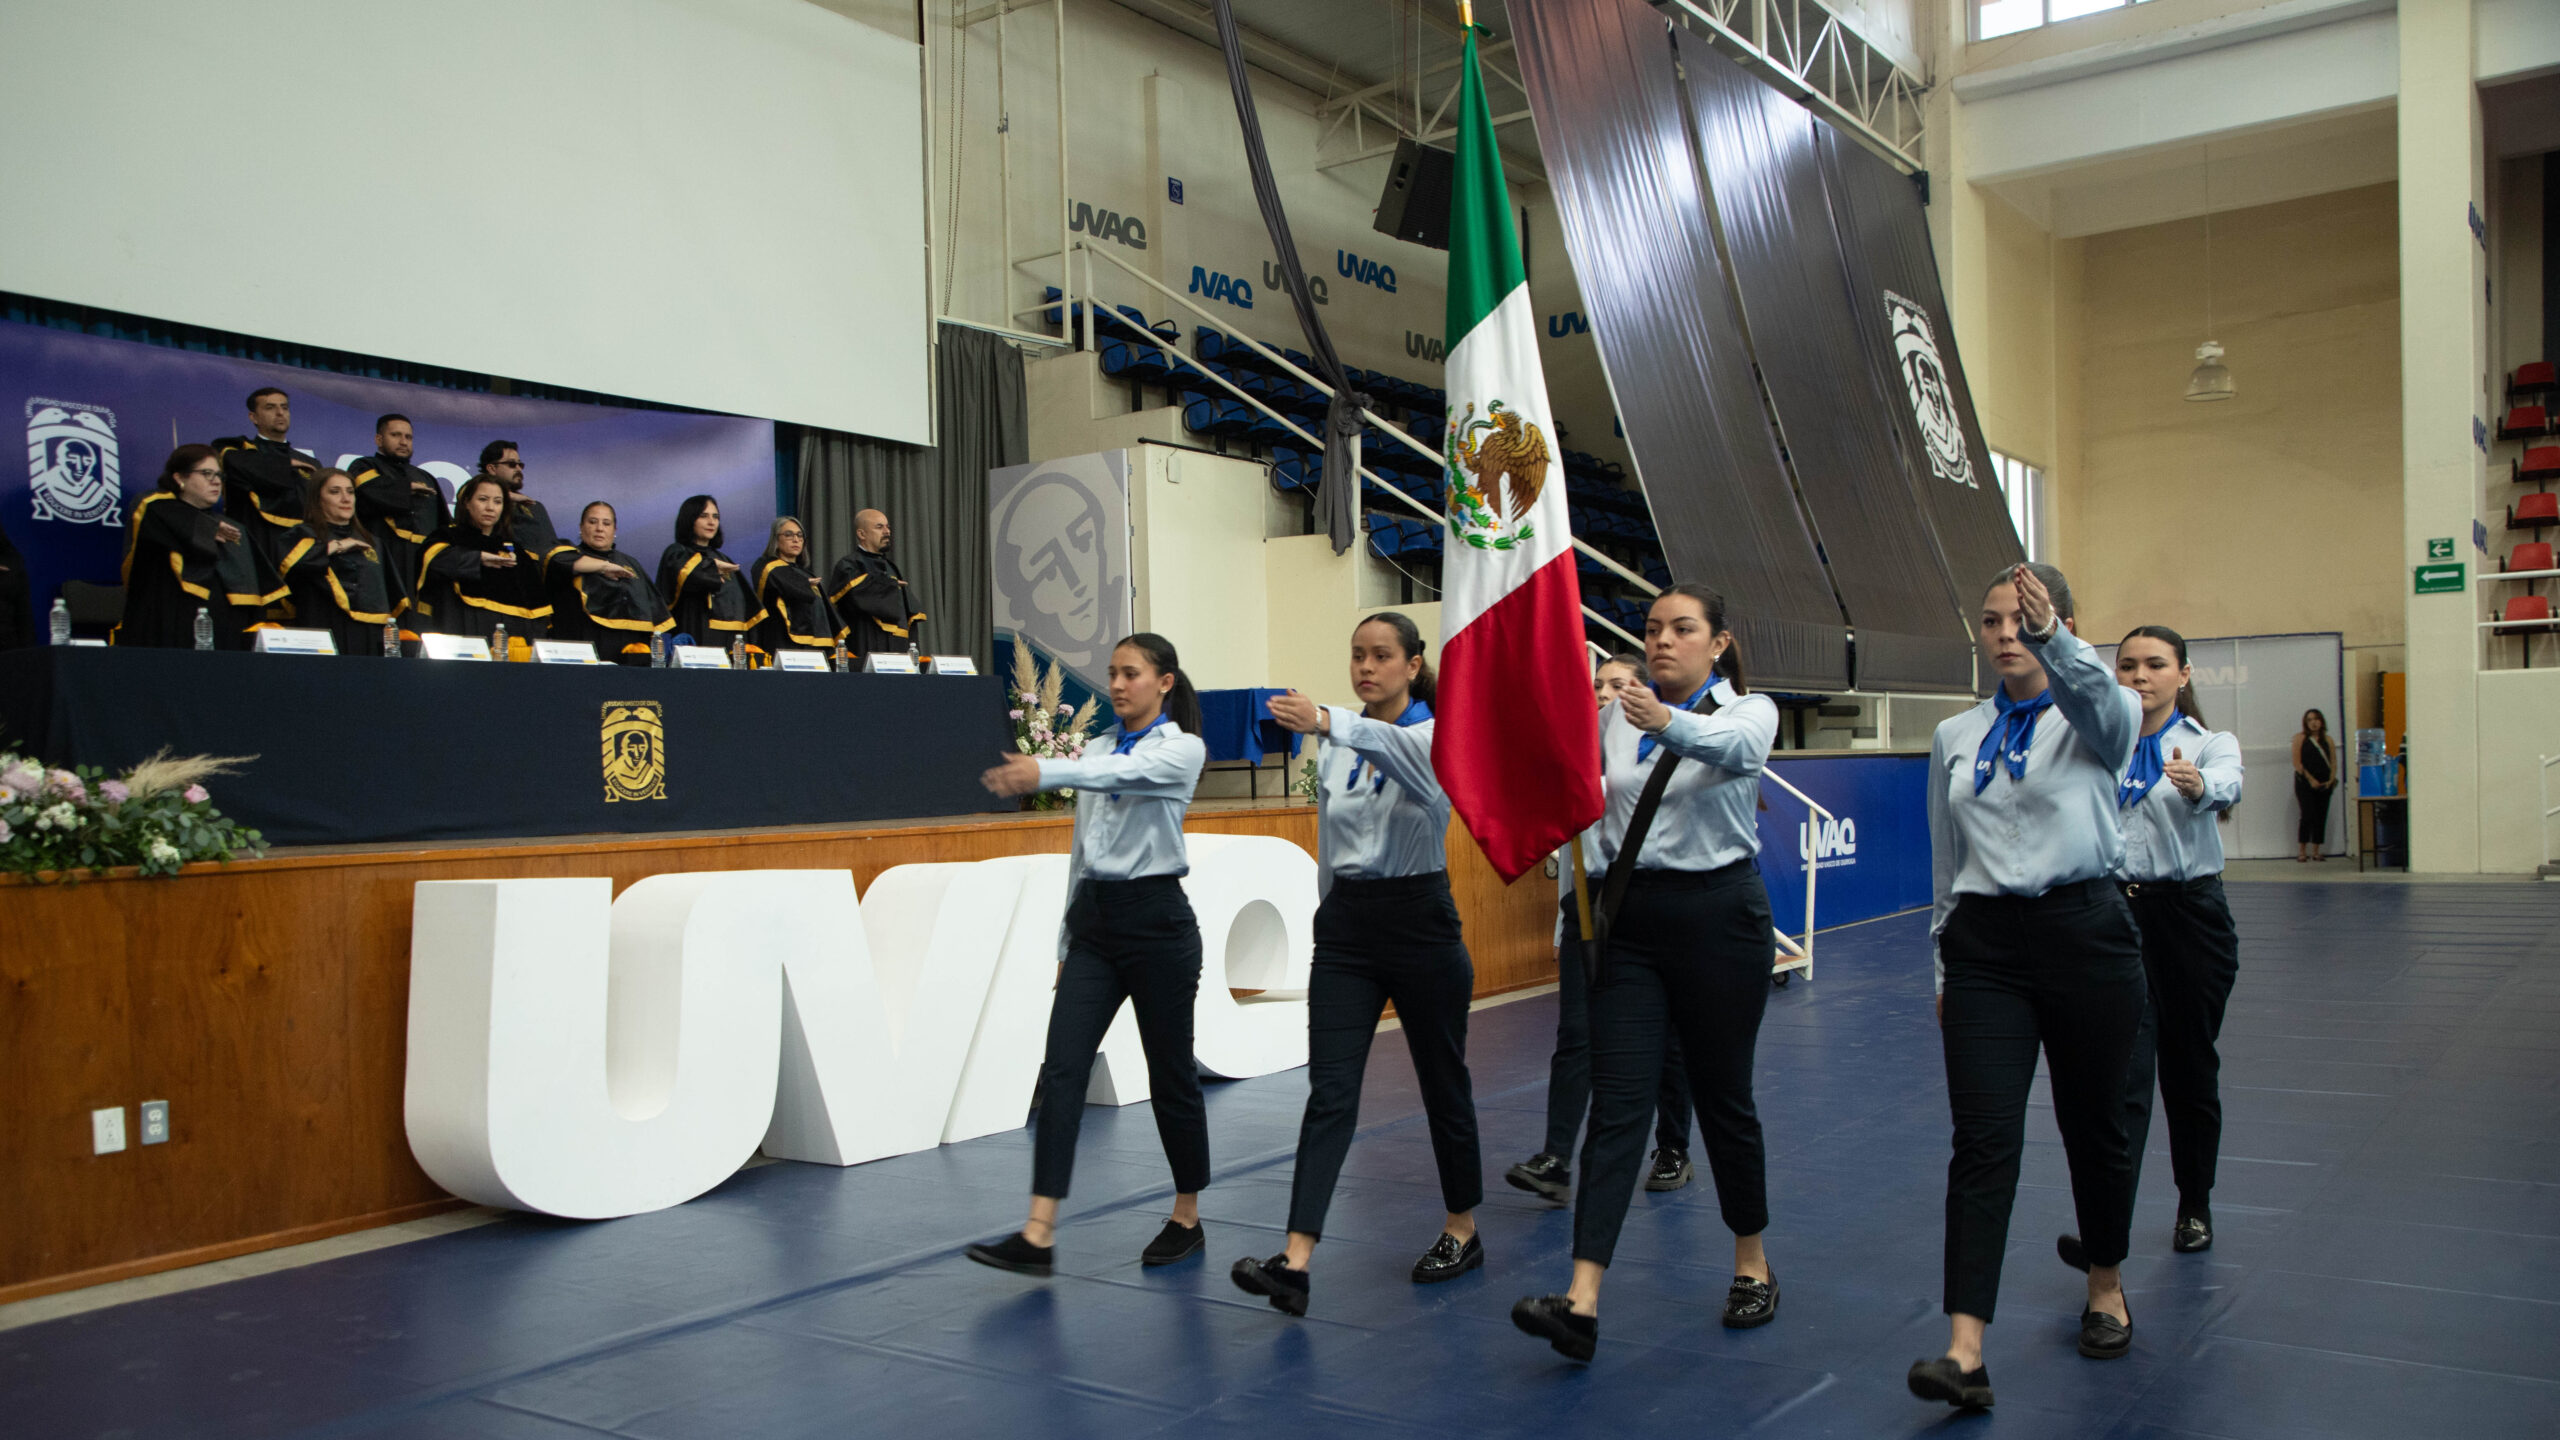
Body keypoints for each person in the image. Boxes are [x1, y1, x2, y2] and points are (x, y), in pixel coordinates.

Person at [1512, 585, 1783, 1363]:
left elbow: (1736, 754)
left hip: (1720, 917)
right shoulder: (1613, 722)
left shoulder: (1746, 711)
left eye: (1683, 629)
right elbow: (1595, 802)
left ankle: (1752, 1263)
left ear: (1718, 642)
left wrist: (1660, 718)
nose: (1663, 641)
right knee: (1620, 1101)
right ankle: (1582, 1298)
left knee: (1724, 1097)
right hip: (1631, 922)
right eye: (1653, 629)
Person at [1907, 562, 2145, 1413]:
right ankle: (1964, 1350)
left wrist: (2060, 639)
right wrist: (1942, 964)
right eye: (1992, 620)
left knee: (2096, 1125)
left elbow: (2115, 715)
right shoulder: (1955, 735)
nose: (2005, 633)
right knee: (1982, 1140)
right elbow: (1945, 865)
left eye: (2023, 619)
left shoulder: (2094, 716)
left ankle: (2106, 1283)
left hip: (2086, 936)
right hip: (1983, 950)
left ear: (2060, 624)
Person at [1230, 613, 1483, 1317]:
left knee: (1443, 1083)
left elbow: (1403, 756)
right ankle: (1296, 1259)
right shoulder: (1336, 747)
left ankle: (1462, 1226)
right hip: (1348, 928)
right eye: (1356, 656)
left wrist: (1328, 718)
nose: (1366, 667)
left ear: (1413, 664)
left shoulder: (1434, 735)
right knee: (1331, 1090)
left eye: (1380, 657)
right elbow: (1335, 842)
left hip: (1420, 920)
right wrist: (1331, 917)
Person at [964, 634, 1213, 1277]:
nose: (1118, 684)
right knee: (1064, 1068)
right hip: (1096, 926)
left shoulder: (1181, 749)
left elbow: (1125, 775)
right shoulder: (1097, 746)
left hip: (1158, 924)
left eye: (1132, 673)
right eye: (1113, 674)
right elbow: (1082, 851)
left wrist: (1046, 770)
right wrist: (1065, 942)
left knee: (1171, 1077)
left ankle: (1187, 1214)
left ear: (1164, 681)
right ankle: (1039, 1232)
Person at [1507, 649, 1704, 1206]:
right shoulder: (1578, 759)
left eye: (1617, 684)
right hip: (1587, 905)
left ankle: (1672, 1147)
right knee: (1576, 1034)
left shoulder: (1659, 753)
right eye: (1597, 685)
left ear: (1642, 693)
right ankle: (1555, 1157)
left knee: (1665, 1037)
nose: (1602, 694)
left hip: (1646, 901)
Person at [2076, 625, 2244, 1263]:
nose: (2139, 676)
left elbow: (2227, 782)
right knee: (2123, 1076)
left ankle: (2194, 1202)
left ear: (2184, 674)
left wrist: (2200, 786)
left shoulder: (2209, 745)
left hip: (2192, 919)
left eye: (2154, 665)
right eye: (2126, 665)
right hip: (2115, 918)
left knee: (2191, 1066)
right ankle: (2108, 1229)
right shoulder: (2096, 749)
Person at [115, 444, 282, 649]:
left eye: (219, 475)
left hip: (227, 635)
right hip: (171, 632)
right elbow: (157, 509)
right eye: (206, 473)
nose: (216, 481)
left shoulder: (233, 529)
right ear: (179, 478)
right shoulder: (156, 512)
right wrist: (206, 529)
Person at [281, 468, 403, 656]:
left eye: (350, 491)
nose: (346, 499)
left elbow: (392, 596)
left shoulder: (374, 542)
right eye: (335, 492)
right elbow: (289, 568)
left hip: (372, 635)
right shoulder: (302, 535)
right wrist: (336, 546)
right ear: (317, 498)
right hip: (325, 631)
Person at [416, 475, 550, 641]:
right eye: (483, 499)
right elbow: (432, 561)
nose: (490, 508)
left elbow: (536, 606)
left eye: (498, 502)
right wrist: (476, 558)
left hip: (515, 637)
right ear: (466, 503)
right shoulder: (448, 536)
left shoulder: (516, 550)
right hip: (465, 632)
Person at [549, 501, 670, 665]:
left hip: (629, 651)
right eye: (592, 522)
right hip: (584, 644)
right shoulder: (568, 554)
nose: (600, 528)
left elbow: (652, 608)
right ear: (581, 526)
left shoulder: (630, 564)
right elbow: (555, 562)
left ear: (614, 530)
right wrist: (602, 567)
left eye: (606, 523)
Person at [216, 386, 315, 570]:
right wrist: (286, 466)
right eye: (270, 408)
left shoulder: (311, 463)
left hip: (303, 551)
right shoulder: (237, 451)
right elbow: (239, 467)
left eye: (284, 407)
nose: (280, 413)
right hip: (256, 545)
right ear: (253, 417)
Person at [347, 414, 447, 591]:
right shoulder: (364, 466)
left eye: (408, 437)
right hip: (384, 554)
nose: (403, 442)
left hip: (422, 561)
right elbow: (368, 492)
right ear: (379, 439)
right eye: (396, 435)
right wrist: (406, 489)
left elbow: (444, 523)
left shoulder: (426, 477)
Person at [657, 495, 764, 651]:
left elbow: (745, 607)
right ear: (689, 519)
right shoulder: (677, 552)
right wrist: (711, 567)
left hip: (730, 640)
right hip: (696, 631)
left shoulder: (724, 558)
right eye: (703, 516)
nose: (711, 522)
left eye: (716, 517)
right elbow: (691, 577)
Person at [829, 508, 925, 657]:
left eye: (888, 527)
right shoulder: (849, 565)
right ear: (861, 534)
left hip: (897, 646)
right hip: (865, 641)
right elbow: (857, 596)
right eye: (879, 527)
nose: (887, 532)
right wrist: (888, 586)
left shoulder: (891, 567)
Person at [480, 439, 573, 587]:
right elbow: (470, 491)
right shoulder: (477, 500)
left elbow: (552, 548)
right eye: (511, 464)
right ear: (492, 468)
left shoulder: (535, 507)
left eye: (520, 464)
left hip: (541, 583)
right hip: (504, 579)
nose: (518, 469)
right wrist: (504, 496)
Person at [752, 516, 839, 661]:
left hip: (813, 645)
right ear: (776, 540)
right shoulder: (766, 566)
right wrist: (804, 584)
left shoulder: (806, 574)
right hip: (782, 642)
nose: (796, 539)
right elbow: (788, 585)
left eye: (800, 535)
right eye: (788, 535)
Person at [2293, 708, 2337, 861]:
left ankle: (2316, 850)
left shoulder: (2328, 740)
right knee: (2307, 814)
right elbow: (2297, 763)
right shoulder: (2300, 738)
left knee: (2321, 815)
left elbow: (2333, 762)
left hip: (2324, 783)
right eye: (2310, 720)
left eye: (2316, 719)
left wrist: (2331, 779)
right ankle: (2302, 850)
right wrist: (2311, 779)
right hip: (2305, 783)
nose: (2313, 723)